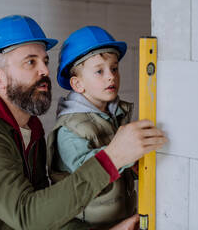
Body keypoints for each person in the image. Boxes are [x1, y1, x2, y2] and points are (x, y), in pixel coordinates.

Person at [0, 15, 167, 230]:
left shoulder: (31, 131)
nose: (44, 70)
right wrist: (112, 158)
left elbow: (46, 211)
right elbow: (28, 217)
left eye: (44, 60)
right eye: (30, 62)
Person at [47, 26, 140, 228]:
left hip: (122, 218)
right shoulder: (69, 129)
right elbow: (88, 171)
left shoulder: (115, 114)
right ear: (78, 84)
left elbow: (124, 169)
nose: (111, 76)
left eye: (114, 68)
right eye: (99, 71)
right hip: (90, 224)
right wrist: (128, 155)